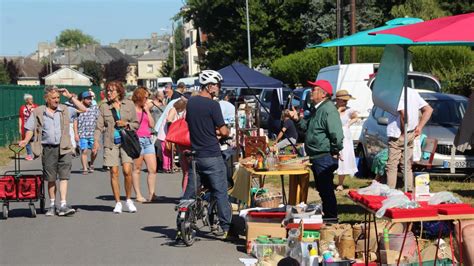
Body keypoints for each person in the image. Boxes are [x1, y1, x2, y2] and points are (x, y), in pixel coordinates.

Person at [19, 86, 87, 216]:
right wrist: (25, 141)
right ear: (47, 99)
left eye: (58, 98)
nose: (56, 100)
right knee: (51, 178)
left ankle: (63, 204)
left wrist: (70, 97)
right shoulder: (38, 111)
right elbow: (29, 128)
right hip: (48, 148)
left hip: (64, 148)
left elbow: (84, 109)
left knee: (64, 176)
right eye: (53, 98)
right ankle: (52, 205)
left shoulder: (65, 109)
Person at [182, 70, 231, 239]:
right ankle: (225, 227)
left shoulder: (191, 102)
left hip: (196, 155)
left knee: (190, 192)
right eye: (217, 85)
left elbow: (193, 124)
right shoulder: (213, 105)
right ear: (209, 86)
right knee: (220, 192)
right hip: (212, 154)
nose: (218, 88)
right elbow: (223, 131)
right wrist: (225, 131)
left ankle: (182, 223)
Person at [289, 80, 343, 220]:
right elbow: (305, 128)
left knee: (326, 190)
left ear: (323, 94)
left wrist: (335, 150)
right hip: (317, 155)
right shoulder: (317, 108)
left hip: (324, 156)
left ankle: (331, 218)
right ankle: (329, 216)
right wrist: (296, 119)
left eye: (314, 89)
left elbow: (336, 134)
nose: (311, 91)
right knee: (322, 189)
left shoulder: (328, 110)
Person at [93, 81, 139, 214]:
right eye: (107, 90)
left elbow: (136, 124)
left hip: (126, 141)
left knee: (127, 170)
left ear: (119, 92)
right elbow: (99, 126)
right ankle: (118, 202)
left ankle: (129, 199)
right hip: (111, 142)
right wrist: (96, 141)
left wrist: (126, 124)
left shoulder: (129, 104)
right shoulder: (104, 107)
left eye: (112, 91)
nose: (108, 93)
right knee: (114, 172)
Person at [385, 87, 433, 190]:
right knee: (406, 164)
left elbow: (403, 115)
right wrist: (419, 127)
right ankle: (409, 189)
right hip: (411, 132)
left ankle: (390, 191)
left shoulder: (395, 93)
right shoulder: (413, 92)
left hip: (398, 134)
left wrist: (403, 132)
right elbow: (429, 109)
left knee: (392, 165)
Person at [131, 87, 157, 202]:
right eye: (146, 97)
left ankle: (152, 193)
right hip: (138, 140)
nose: (147, 99)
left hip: (148, 140)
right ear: (139, 96)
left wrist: (147, 111)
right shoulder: (132, 110)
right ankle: (138, 194)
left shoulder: (145, 109)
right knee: (137, 168)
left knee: (153, 169)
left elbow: (152, 125)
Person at [335, 90, 359, 191]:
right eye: (344, 101)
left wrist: (348, 124)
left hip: (345, 136)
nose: (346, 103)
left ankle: (340, 183)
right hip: (335, 134)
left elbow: (356, 117)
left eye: (346, 101)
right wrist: (339, 110)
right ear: (338, 100)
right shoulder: (333, 109)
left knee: (343, 158)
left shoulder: (349, 110)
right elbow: (332, 119)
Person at [166, 99, 189, 192]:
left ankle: (184, 193)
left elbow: (169, 121)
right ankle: (187, 195)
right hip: (188, 143)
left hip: (180, 142)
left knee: (185, 172)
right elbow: (169, 120)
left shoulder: (181, 114)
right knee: (189, 172)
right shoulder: (187, 114)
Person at [75, 91, 100, 175]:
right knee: (84, 151)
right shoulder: (78, 108)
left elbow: (98, 118)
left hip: (93, 133)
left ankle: (91, 163)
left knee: (94, 151)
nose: (90, 100)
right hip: (82, 133)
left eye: (91, 99)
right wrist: (76, 133)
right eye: (88, 99)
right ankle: (85, 168)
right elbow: (75, 122)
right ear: (83, 99)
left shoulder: (94, 107)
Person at [18, 94, 38, 161]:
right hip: (25, 126)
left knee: (35, 140)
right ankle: (29, 154)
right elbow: (20, 117)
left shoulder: (35, 106)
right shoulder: (22, 107)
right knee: (27, 140)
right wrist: (20, 127)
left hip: (34, 126)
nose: (32, 100)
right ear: (26, 100)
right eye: (30, 99)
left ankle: (36, 152)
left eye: (32, 99)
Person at [150, 90, 165, 172]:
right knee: (155, 148)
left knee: (160, 148)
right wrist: (153, 103)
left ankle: (160, 165)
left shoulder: (164, 104)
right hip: (154, 129)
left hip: (161, 129)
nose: (163, 96)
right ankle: (156, 166)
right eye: (162, 95)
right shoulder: (152, 104)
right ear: (157, 96)